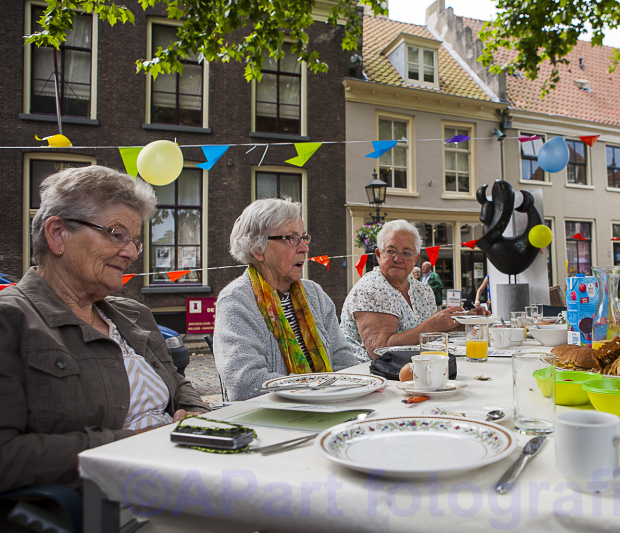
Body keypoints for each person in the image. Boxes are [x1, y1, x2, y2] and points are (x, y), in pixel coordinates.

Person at [0, 166, 209, 495]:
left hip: (184, 479)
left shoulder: (134, 314)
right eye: (116, 233)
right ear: (58, 234)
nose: (130, 253)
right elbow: (7, 456)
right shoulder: (11, 319)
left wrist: (196, 414)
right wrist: (133, 444)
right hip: (107, 504)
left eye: (135, 242)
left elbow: (177, 381)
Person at [214, 199, 359, 400]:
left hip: (330, 406)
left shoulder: (314, 293)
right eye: (291, 238)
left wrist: (351, 390)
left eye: (303, 238)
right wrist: (318, 390)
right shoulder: (236, 301)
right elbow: (245, 382)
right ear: (257, 248)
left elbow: (344, 359)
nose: (304, 248)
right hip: (271, 421)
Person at [341, 220, 486, 360]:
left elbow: (434, 334)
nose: (398, 259)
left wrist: (467, 321)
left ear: (416, 259)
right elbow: (381, 351)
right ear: (378, 255)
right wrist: (432, 325)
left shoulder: (422, 290)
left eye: (406, 253)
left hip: (415, 370)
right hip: (368, 376)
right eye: (391, 251)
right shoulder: (370, 288)